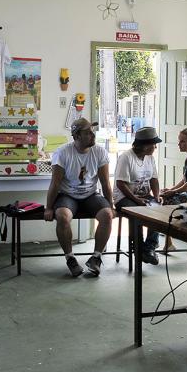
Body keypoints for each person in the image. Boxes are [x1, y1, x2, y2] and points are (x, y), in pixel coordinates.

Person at [44, 118, 114, 277]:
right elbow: (55, 183)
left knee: (107, 215)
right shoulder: (62, 152)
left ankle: (96, 258)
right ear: (76, 136)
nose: (92, 135)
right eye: (88, 132)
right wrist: (48, 208)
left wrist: (111, 205)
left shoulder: (100, 152)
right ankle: (70, 258)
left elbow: (105, 182)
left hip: (90, 195)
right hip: (68, 195)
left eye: (92, 131)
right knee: (62, 216)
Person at [113, 127, 162, 265]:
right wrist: (136, 199)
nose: (155, 147)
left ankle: (149, 247)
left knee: (158, 210)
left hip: (143, 196)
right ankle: (138, 248)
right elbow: (120, 183)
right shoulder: (126, 157)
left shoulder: (150, 158)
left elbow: (154, 179)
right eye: (153, 144)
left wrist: (156, 196)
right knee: (137, 213)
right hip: (124, 197)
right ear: (144, 145)